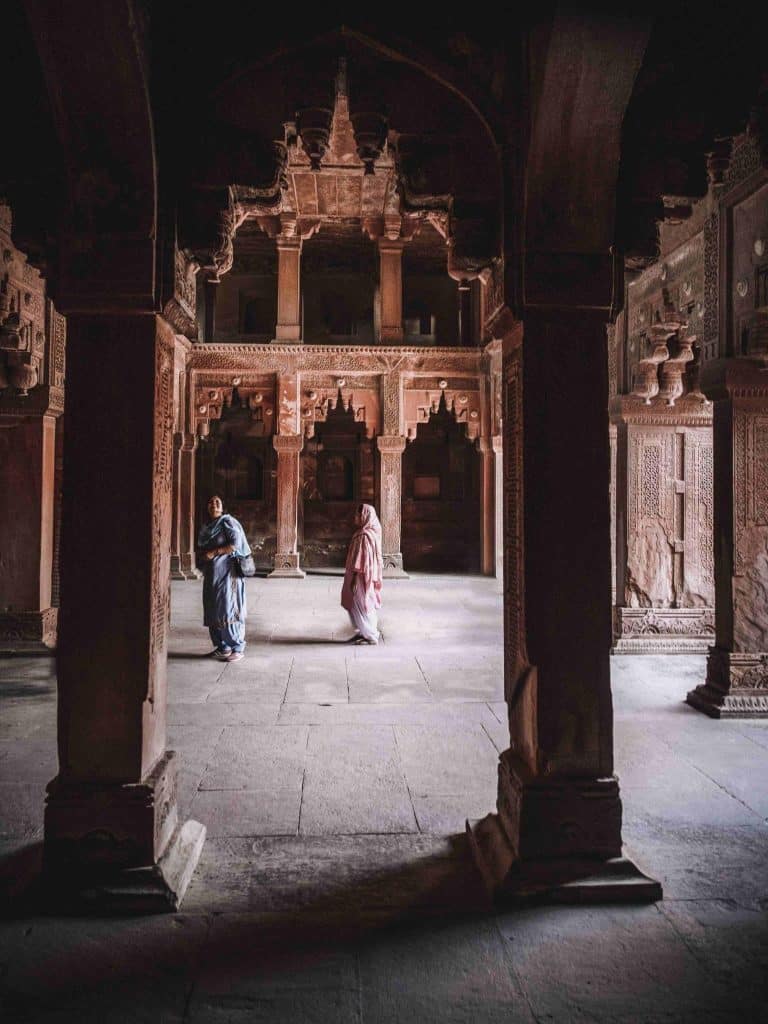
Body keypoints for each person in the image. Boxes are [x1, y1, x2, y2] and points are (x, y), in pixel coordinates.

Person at [197, 495, 251, 662]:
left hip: (228, 574)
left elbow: (235, 544)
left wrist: (214, 552)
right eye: (210, 502)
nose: (214, 504)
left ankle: (237, 647)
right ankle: (222, 647)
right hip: (212, 574)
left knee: (228, 607)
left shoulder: (228, 522)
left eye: (217, 502)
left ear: (222, 507)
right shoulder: (207, 527)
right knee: (214, 607)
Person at [341, 503, 383, 645]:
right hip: (363, 576)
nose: (355, 517)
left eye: (358, 515)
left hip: (361, 577)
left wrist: (353, 578)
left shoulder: (364, 536)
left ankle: (370, 635)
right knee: (359, 604)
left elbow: (361, 560)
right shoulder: (367, 533)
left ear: (364, 516)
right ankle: (362, 631)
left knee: (362, 604)